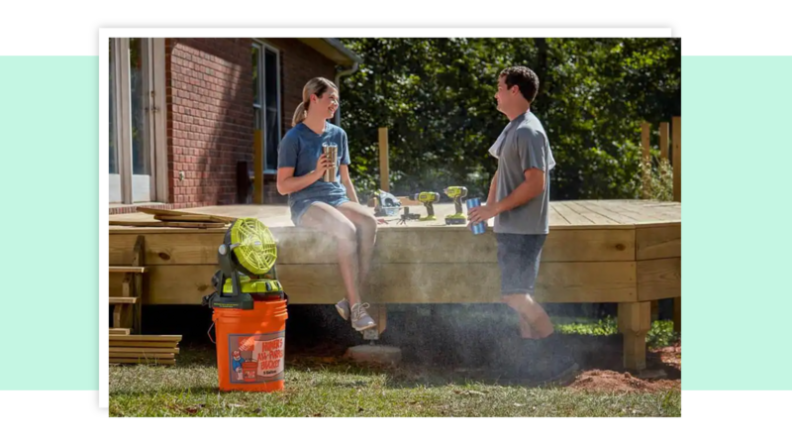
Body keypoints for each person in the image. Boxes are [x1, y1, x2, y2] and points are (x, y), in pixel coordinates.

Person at [468, 66, 578, 379]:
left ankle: (560, 359)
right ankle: (531, 365)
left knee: (515, 296)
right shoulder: (513, 128)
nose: (496, 94)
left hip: (525, 228)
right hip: (510, 227)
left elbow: (535, 183)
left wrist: (495, 209)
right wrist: (487, 210)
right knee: (519, 295)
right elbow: (502, 173)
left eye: (500, 87)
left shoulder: (529, 130)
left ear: (515, 90)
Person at [276, 77, 378, 332]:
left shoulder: (338, 134)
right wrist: (314, 173)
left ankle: (351, 298)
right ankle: (356, 308)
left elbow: (345, 179)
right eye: (331, 98)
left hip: (336, 197)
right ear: (314, 98)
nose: (335, 104)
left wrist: (359, 208)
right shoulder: (294, 138)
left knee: (367, 222)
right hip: (306, 201)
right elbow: (282, 186)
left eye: (337, 100)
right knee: (346, 230)